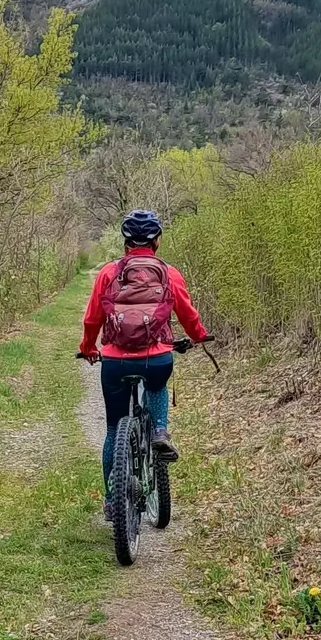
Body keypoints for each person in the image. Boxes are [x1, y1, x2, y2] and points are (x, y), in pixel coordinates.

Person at [79, 209, 208, 521]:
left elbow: (93, 318)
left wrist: (88, 348)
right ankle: (160, 431)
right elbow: (188, 314)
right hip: (157, 357)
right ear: (157, 241)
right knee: (157, 385)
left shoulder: (108, 273)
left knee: (113, 429)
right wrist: (199, 336)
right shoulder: (168, 273)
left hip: (113, 361)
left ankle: (112, 500)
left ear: (126, 241)